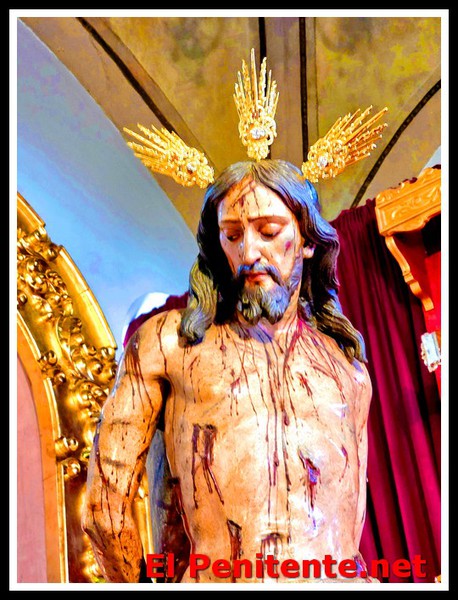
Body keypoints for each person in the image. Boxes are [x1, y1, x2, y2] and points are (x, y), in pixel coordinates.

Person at [82, 159, 374, 584]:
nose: (249, 253)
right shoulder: (170, 344)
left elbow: (349, 523)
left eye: (268, 232)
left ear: (308, 240)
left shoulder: (347, 367)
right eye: (233, 235)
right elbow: (104, 509)